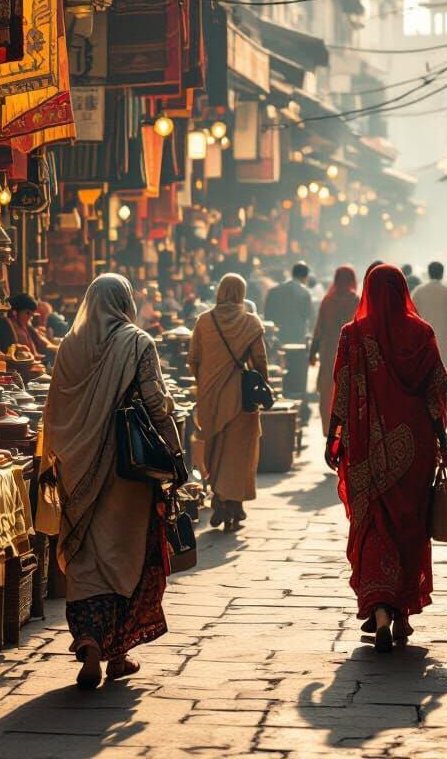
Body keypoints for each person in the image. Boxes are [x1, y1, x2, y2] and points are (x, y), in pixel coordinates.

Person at [42, 274, 184, 690]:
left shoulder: (69, 345)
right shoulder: (138, 342)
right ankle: (117, 653)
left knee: (85, 554)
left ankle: (88, 642)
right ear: (124, 301)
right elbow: (156, 404)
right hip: (125, 472)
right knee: (123, 553)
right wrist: (174, 453)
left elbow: (54, 407)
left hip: (76, 467)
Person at [326, 265, 447, 652]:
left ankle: (379, 609)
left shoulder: (353, 335)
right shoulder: (422, 334)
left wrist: (334, 438)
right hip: (413, 448)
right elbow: (436, 393)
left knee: (373, 525)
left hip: (367, 447)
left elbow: (342, 392)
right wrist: (441, 437)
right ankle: (401, 616)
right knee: (409, 526)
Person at [189, 274, 269, 532]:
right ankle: (232, 502)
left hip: (210, 398)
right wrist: (261, 386)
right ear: (241, 293)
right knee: (239, 454)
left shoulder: (203, 321)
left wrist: (207, 381)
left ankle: (221, 498)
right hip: (241, 398)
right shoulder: (250, 322)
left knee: (215, 447)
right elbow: (260, 361)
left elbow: (193, 359)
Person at [309, 266, 359, 435]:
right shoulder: (355, 301)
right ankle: (346, 428)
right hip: (350, 352)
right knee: (348, 388)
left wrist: (312, 353)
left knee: (328, 389)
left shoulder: (327, 301)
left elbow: (319, 329)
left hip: (329, 352)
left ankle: (329, 428)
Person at [411, 262, 447, 382]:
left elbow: (412, 317)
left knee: (427, 375)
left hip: (424, 341)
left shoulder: (419, 292)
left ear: (429, 273)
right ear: (442, 273)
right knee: (446, 374)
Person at [0, 292, 53, 360]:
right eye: (27, 313)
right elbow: (8, 352)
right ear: (15, 312)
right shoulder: (5, 324)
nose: (30, 318)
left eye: (31, 315)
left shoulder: (25, 326)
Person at [264, 261, 314, 345]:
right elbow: (309, 316)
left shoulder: (273, 291)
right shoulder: (305, 292)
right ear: (306, 277)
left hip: (277, 337)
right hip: (298, 337)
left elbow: (267, 315)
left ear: (292, 274)